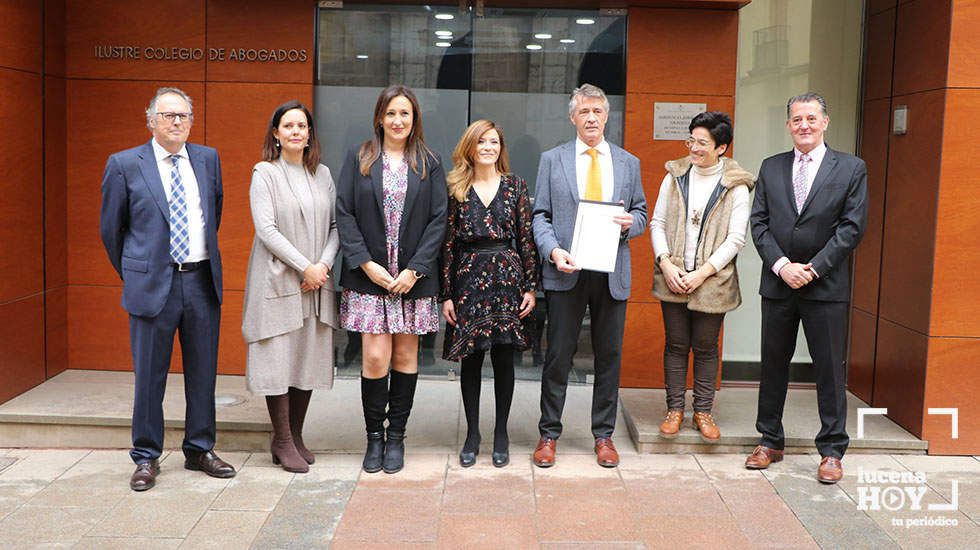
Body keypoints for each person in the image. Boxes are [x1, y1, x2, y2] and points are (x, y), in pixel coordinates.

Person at [100, 87, 235, 491]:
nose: (177, 122)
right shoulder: (124, 164)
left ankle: (199, 448)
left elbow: (215, 214)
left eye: (184, 116)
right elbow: (112, 231)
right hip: (151, 284)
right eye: (168, 115)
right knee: (149, 376)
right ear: (151, 121)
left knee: (202, 371)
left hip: (199, 280)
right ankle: (145, 456)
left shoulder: (208, 159)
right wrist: (137, 271)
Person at [747, 92, 868, 483]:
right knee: (773, 365)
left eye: (811, 118)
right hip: (779, 284)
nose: (804, 125)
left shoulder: (850, 169)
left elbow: (851, 229)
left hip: (826, 286)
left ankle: (832, 450)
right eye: (797, 119)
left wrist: (812, 269)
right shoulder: (771, 167)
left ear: (825, 122)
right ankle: (769, 440)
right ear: (788, 125)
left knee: (829, 369)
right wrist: (782, 266)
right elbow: (759, 224)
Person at [531, 83, 647, 468]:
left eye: (598, 110)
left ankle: (604, 435)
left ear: (607, 114)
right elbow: (540, 216)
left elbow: (642, 213)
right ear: (573, 117)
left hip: (612, 271)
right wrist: (552, 250)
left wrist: (632, 223)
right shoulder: (553, 159)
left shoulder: (628, 162)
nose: (592, 117)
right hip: (567, 268)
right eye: (584, 112)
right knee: (559, 355)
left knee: (609, 356)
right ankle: (549, 434)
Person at [336, 85, 448, 474]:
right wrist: (366, 264)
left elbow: (439, 219)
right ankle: (374, 439)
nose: (398, 121)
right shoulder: (360, 157)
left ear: (414, 118)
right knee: (374, 356)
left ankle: (397, 437)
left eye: (405, 114)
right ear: (379, 118)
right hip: (371, 277)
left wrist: (414, 269)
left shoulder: (429, 162)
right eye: (391, 114)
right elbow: (344, 213)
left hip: (412, 279)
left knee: (404, 356)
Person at [242, 100, 339, 473]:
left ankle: (296, 436)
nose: (296, 131)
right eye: (289, 126)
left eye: (302, 126)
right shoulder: (265, 173)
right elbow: (266, 229)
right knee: (278, 359)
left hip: (316, 281)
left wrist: (323, 265)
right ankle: (281, 439)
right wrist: (305, 266)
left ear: (309, 133)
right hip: (279, 278)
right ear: (276, 133)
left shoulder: (323, 174)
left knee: (306, 357)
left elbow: (335, 227)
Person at [650, 112, 754, 441]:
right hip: (673, 273)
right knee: (676, 345)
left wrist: (702, 273)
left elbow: (736, 239)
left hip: (713, 280)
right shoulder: (676, 174)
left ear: (721, 147)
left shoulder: (736, 184)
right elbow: (657, 223)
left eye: (702, 143)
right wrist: (666, 263)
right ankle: (675, 409)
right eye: (691, 140)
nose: (694, 148)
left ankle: (703, 411)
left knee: (707, 347)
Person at [440, 120, 539, 468]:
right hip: (468, 278)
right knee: (472, 361)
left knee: (503, 360)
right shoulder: (456, 187)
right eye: (481, 141)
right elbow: (448, 245)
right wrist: (446, 294)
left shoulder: (515, 186)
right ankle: (472, 434)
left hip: (507, 279)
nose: (488, 147)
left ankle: (501, 433)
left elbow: (526, 238)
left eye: (494, 141)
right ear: (470, 146)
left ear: (501, 147)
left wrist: (530, 286)